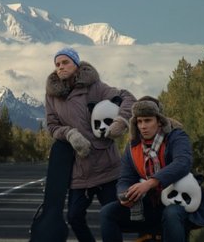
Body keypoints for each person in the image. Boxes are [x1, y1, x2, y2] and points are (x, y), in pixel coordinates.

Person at [45, 47, 136, 242]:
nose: (61, 67)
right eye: (57, 64)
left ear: (76, 64)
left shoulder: (95, 87)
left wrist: (121, 121)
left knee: (113, 218)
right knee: (74, 217)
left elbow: (127, 98)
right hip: (78, 172)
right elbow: (52, 126)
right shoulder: (52, 95)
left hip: (107, 169)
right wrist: (69, 134)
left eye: (65, 62)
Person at [99, 96, 204, 242]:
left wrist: (150, 183)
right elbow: (125, 179)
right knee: (107, 213)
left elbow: (183, 163)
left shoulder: (177, 137)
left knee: (172, 213)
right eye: (139, 121)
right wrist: (125, 195)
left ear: (159, 121)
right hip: (147, 206)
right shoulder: (132, 147)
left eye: (148, 120)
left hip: (177, 203)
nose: (143, 126)